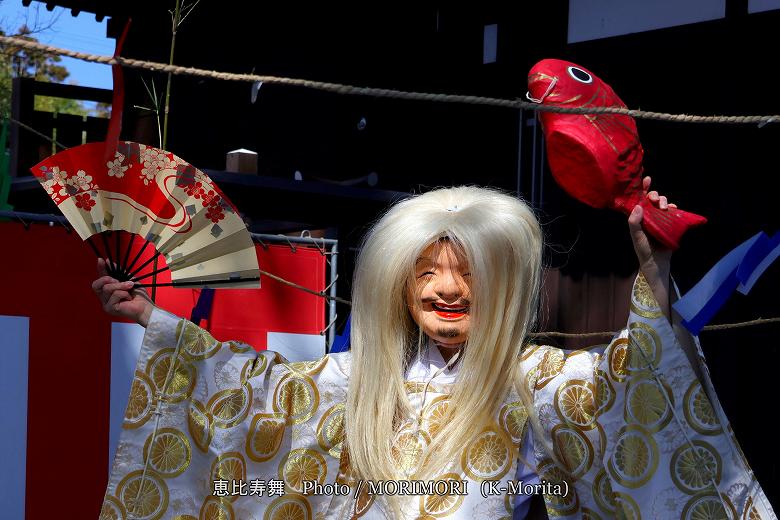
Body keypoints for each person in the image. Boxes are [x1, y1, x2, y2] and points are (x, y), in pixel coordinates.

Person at [94, 178, 775, 519]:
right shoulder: (356, 379)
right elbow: (251, 392)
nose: (446, 290)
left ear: (502, 288)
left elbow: (630, 388)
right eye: (426, 272)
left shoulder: (531, 381)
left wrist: (651, 276)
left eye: (467, 274)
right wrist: (157, 323)